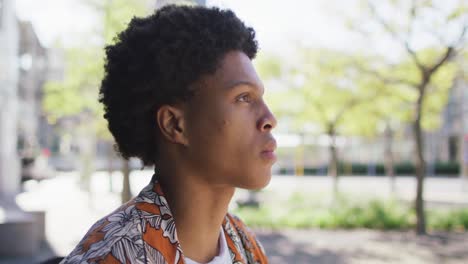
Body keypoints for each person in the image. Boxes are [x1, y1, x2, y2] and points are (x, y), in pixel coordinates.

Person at [60, 4, 277, 264]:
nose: (269, 119)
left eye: (260, 98)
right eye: (243, 97)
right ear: (175, 125)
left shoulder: (245, 244)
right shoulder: (113, 257)